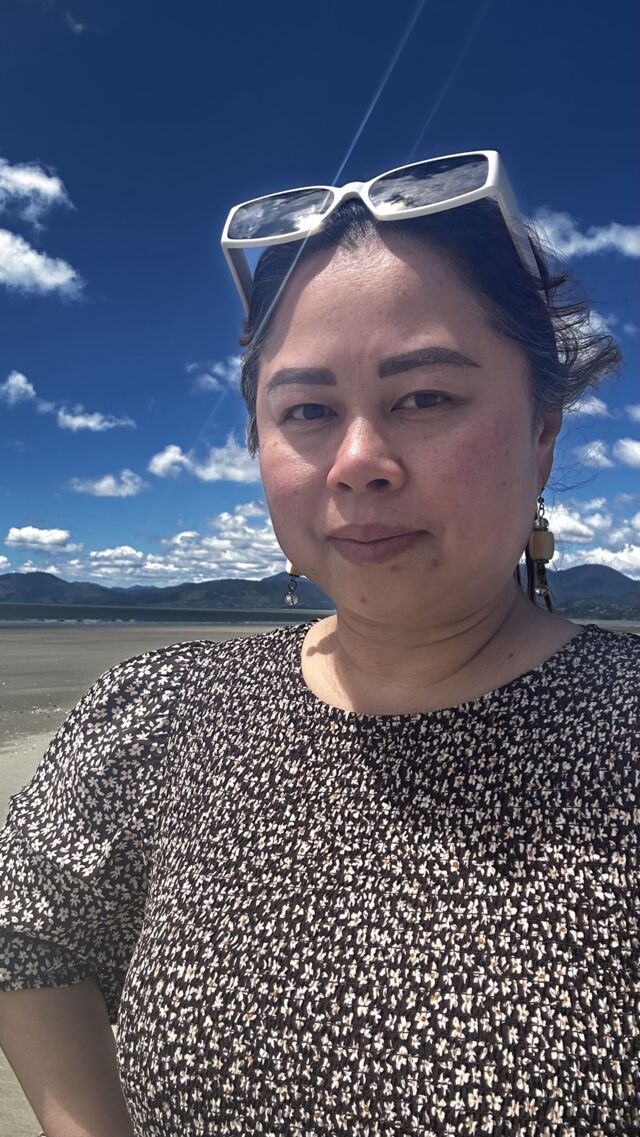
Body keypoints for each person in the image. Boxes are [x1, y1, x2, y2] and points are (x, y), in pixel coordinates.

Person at [0, 151, 638, 1137]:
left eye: (424, 397)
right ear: (259, 443)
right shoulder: (160, 715)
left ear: (543, 428)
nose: (358, 462)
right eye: (306, 411)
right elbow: (27, 930)